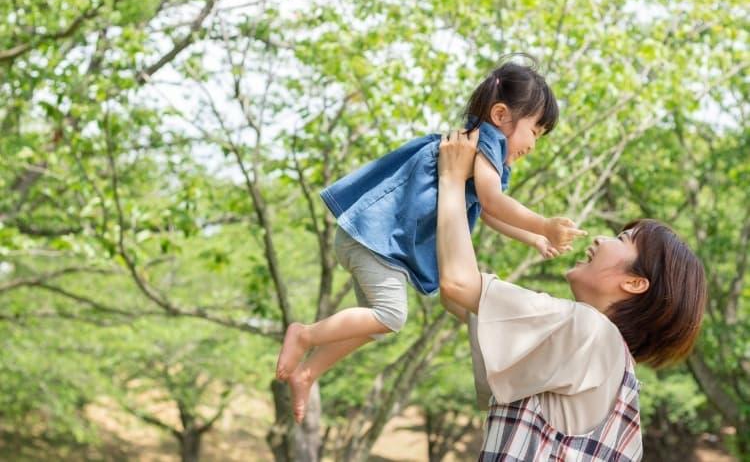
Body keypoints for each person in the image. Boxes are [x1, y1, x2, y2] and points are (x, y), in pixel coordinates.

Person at [276, 55, 586, 423]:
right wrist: (544, 224)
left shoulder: (479, 151)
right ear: (501, 116)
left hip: (367, 240)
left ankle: (308, 372)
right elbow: (493, 201)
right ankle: (305, 335)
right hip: (375, 242)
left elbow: (487, 212)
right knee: (391, 315)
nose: (534, 144)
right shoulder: (486, 142)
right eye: (535, 130)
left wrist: (532, 238)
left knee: (374, 325)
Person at [436, 130, 707, 460]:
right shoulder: (614, 370)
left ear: (636, 283)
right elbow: (457, 294)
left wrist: (451, 179)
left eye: (622, 238)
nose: (600, 240)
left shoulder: (588, 331)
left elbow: (458, 285)